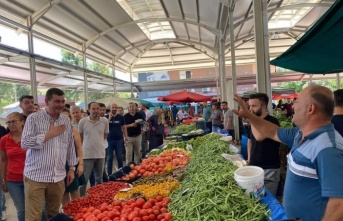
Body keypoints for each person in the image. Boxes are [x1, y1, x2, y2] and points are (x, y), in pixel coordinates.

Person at [232, 85, 343, 221]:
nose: (293, 106)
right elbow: (272, 131)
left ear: (310, 109)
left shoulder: (328, 148)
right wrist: (249, 116)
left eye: (297, 101)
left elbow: (339, 204)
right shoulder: (299, 133)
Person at [21, 88, 78, 220]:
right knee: (34, 216)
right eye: (57, 101)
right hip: (36, 177)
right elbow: (25, 143)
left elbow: (69, 145)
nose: (61, 104)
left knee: (54, 215)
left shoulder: (65, 120)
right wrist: (49, 135)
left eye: (62, 101)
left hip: (57, 177)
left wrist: (71, 168)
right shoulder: (33, 118)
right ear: (47, 101)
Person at [0, 113, 47, 221]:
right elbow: (3, 160)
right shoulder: (4, 140)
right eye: (8, 122)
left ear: (22, 122)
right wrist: (3, 179)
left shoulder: (31, 138)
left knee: (39, 209)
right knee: (22, 210)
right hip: (13, 180)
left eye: (14, 121)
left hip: (33, 179)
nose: (11, 124)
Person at [246, 93, 281, 196]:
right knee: (254, 199)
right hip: (254, 165)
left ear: (264, 106)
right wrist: (249, 157)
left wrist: (251, 118)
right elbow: (250, 140)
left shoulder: (272, 121)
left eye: (254, 106)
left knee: (268, 201)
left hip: (269, 168)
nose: (250, 109)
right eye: (249, 106)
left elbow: (259, 137)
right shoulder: (253, 121)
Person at [78, 102, 109, 196]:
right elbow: (81, 138)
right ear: (89, 110)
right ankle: (81, 200)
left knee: (99, 179)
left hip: (100, 154)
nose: (96, 111)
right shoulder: (83, 121)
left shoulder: (104, 121)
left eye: (97, 109)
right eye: (93, 109)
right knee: (84, 179)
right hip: (87, 155)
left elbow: (104, 135)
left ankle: (97, 198)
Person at [61, 108, 84, 205]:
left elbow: (79, 148)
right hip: (60, 165)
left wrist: (81, 164)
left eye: (68, 117)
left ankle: (78, 213)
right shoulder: (54, 131)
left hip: (73, 163)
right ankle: (67, 215)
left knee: (74, 190)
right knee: (63, 192)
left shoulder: (74, 130)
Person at [107, 103, 128, 175]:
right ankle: (109, 175)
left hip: (119, 140)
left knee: (119, 158)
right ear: (110, 108)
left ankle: (120, 173)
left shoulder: (121, 117)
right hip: (109, 140)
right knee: (109, 158)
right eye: (113, 107)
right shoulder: (106, 117)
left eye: (115, 107)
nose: (114, 109)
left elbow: (124, 128)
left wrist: (126, 139)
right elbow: (104, 127)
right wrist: (109, 118)